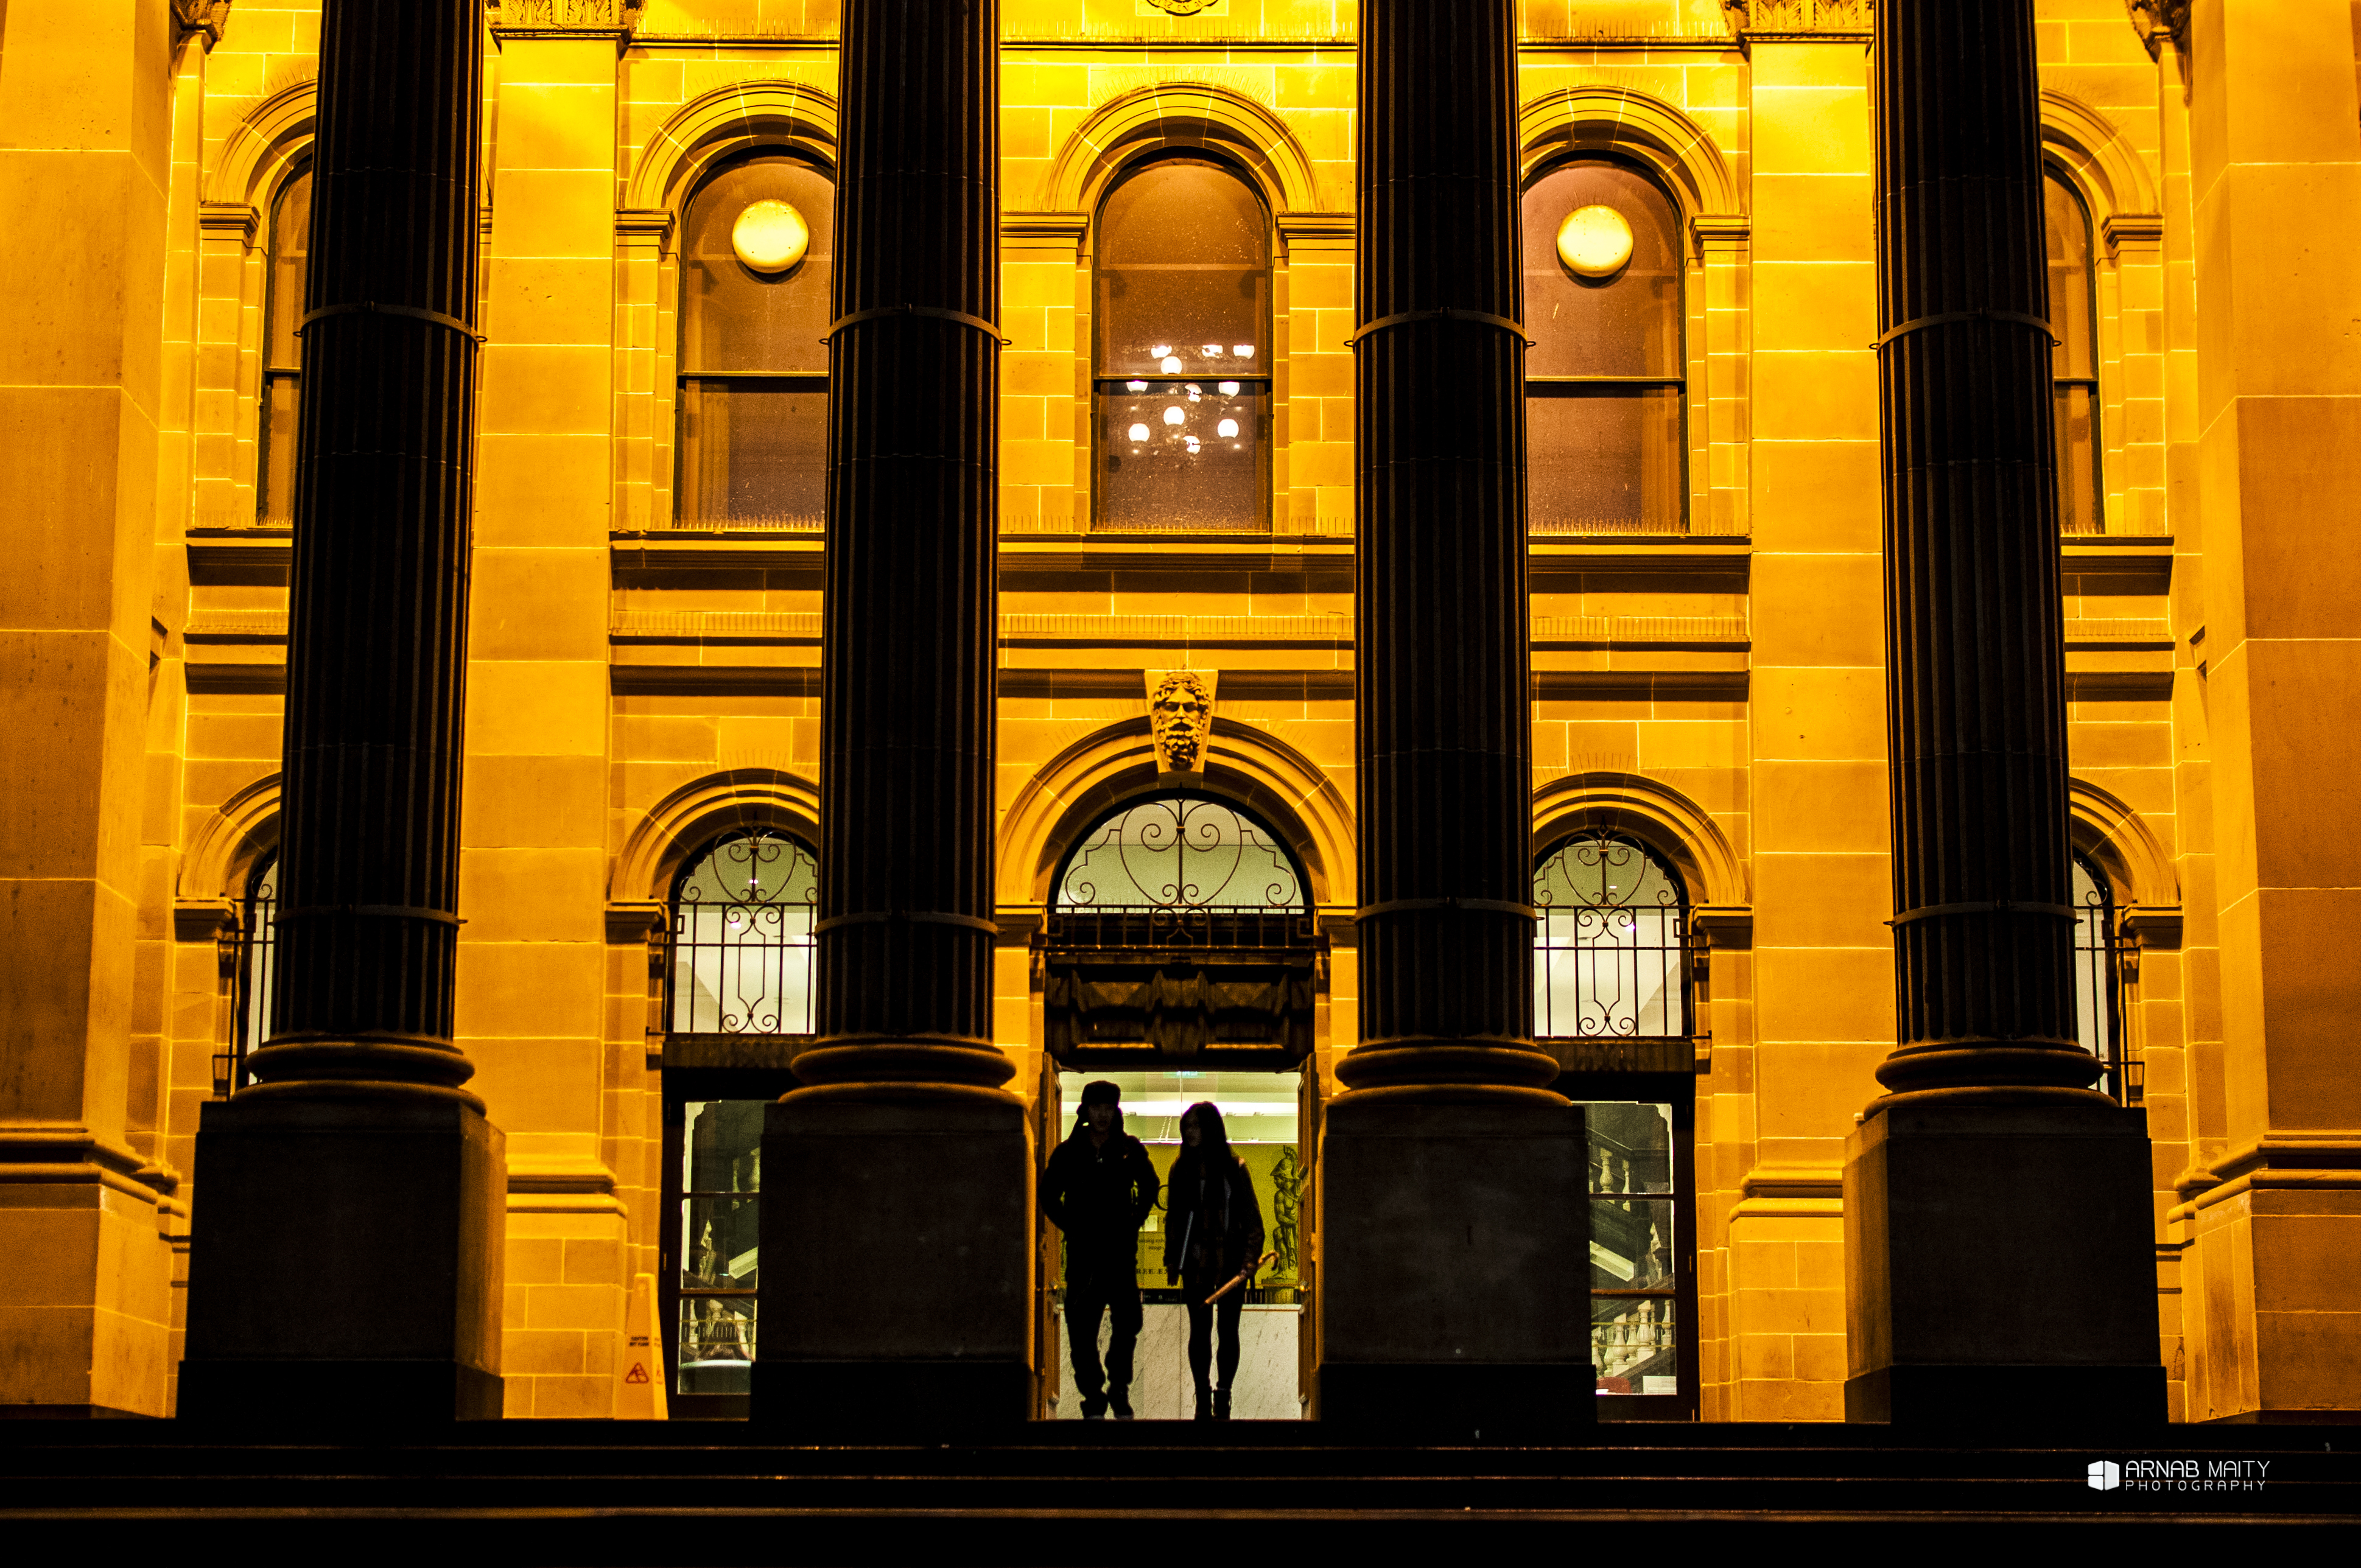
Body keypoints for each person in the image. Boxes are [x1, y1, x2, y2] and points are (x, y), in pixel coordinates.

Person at [1040, 1079, 1160, 1419]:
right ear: (1086, 1111)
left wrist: (1134, 1221)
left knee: (1127, 1324)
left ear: (1116, 1111)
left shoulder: (1129, 1149)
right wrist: (1072, 1226)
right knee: (1081, 1328)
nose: (1103, 1115)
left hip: (1121, 1254)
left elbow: (1150, 1185)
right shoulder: (1068, 1153)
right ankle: (1093, 1394)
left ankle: (1119, 1387)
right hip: (1083, 1256)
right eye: (1097, 1108)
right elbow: (1048, 1196)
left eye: (1109, 1108)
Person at [1163, 1101, 1265, 1421]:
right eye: (1186, 1128)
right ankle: (1202, 1394)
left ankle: (1223, 1393)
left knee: (1228, 1329)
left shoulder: (1234, 1168)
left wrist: (1249, 1260)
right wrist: (1172, 1261)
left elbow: (1251, 1219)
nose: (1190, 1133)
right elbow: (1174, 1221)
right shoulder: (1181, 1169)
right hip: (1196, 1262)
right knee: (1199, 1330)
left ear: (1210, 1128)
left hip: (1231, 1261)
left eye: (1195, 1126)